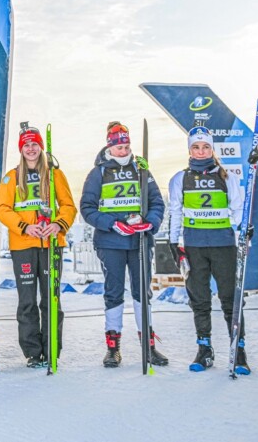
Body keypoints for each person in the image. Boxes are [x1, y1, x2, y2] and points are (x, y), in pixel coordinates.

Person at [80, 121, 168, 368]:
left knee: (143, 292)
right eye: (119, 147)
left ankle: (148, 346)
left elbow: (157, 203)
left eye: (127, 146)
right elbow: (87, 208)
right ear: (110, 146)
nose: (124, 151)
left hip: (139, 240)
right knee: (114, 292)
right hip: (111, 242)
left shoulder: (141, 169)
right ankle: (113, 348)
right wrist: (112, 224)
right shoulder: (98, 173)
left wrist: (149, 223)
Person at [0, 125, 77, 368]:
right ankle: (33, 352)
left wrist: (58, 225)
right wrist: (24, 227)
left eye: (34, 144)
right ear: (21, 149)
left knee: (51, 299)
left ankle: (52, 349)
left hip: (51, 243)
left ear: (41, 147)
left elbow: (69, 206)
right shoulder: (11, 177)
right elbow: (2, 209)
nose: (31, 149)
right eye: (26, 145)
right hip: (24, 245)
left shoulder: (54, 175)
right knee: (27, 301)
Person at [168, 126, 247, 373]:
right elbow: (175, 212)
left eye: (205, 147)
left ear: (212, 149)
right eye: (196, 147)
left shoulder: (227, 177)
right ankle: (204, 349)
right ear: (189, 150)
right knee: (199, 300)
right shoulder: (180, 179)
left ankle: (238, 350)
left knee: (230, 299)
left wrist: (244, 233)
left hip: (223, 245)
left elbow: (238, 210)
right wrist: (173, 243)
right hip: (194, 247)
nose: (201, 151)